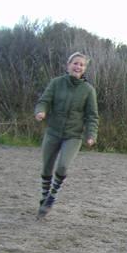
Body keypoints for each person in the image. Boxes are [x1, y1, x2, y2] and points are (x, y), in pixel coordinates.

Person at [34, 52, 99, 218]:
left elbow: (92, 116)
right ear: (68, 65)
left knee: (63, 166)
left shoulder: (88, 90)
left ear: (84, 69)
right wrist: (41, 111)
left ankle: (52, 196)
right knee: (47, 167)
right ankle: (44, 196)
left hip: (73, 135)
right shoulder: (56, 83)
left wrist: (91, 134)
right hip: (53, 132)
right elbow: (44, 101)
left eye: (81, 65)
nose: (78, 67)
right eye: (75, 63)